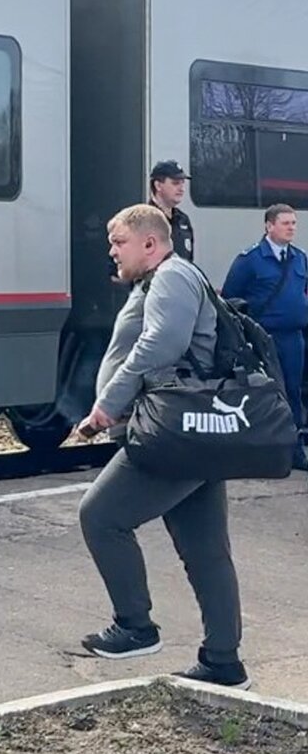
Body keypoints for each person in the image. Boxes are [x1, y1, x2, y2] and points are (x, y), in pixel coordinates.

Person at [76, 203, 249, 689]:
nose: (112, 252)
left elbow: (159, 346)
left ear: (149, 243)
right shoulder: (169, 279)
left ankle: (135, 627)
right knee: (206, 550)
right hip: (193, 433)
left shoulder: (171, 277)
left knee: (101, 516)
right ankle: (223, 662)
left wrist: (107, 404)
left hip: (170, 435)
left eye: (118, 243)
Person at [222, 204, 308, 441]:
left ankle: (294, 445)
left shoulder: (299, 258)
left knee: (292, 389)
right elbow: (231, 299)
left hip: (293, 338)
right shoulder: (250, 259)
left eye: (293, 223)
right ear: (269, 226)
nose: (291, 228)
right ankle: (262, 443)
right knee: (264, 391)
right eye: (285, 223)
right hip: (263, 338)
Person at [148, 160, 194, 262]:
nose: (182, 189)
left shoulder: (183, 220)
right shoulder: (143, 220)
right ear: (158, 185)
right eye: (175, 183)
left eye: (183, 183)